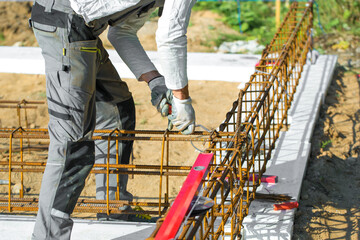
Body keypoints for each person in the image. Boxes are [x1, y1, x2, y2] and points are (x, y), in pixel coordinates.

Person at [29, 0, 196, 239]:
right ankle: (48, 236)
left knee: (117, 109)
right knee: (72, 143)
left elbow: (122, 33)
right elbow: (171, 35)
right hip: (64, 21)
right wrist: (182, 100)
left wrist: (156, 82)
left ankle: (112, 208)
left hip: (82, 28)